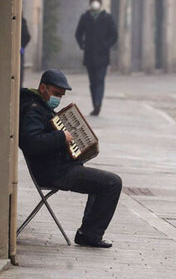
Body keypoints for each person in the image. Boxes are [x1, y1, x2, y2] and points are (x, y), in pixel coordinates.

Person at [19, 69, 122, 248]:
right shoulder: (33, 110)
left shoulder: (43, 107)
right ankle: (89, 235)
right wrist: (62, 137)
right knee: (112, 183)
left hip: (59, 168)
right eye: (56, 93)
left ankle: (88, 233)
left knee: (103, 182)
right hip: (53, 173)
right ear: (42, 88)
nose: (58, 98)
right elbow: (31, 142)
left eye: (61, 95)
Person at [75, 0, 117, 116]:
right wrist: (82, 45)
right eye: (93, 1)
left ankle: (98, 103)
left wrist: (106, 45)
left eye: (97, 1)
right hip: (89, 55)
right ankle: (95, 104)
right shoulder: (85, 17)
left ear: (100, 3)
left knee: (100, 80)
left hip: (103, 56)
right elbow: (78, 33)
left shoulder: (107, 18)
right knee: (92, 82)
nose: (95, 3)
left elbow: (114, 35)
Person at [20, 16, 31, 88]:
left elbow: (27, 36)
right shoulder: (21, 20)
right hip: (19, 51)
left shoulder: (21, 20)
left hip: (19, 51)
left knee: (19, 72)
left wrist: (22, 46)